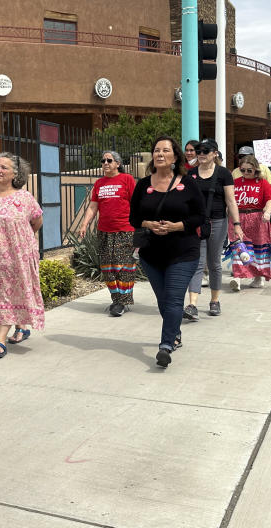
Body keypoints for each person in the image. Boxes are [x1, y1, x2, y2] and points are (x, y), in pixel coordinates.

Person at [129, 135, 206, 368]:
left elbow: (200, 216)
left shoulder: (188, 183)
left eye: (165, 150)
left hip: (183, 251)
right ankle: (175, 333)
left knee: (173, 299)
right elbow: (133, 217)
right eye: (156, 150)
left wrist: (177, 226)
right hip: (151, 254)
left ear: (175, 157)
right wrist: (148, 224)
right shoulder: (143, 184)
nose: (160, 154)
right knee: (164, 300)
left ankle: (165, 346)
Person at [0, 152, 44, 359]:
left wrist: (21, 243)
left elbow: (36, 222)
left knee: (6, 293)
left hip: (15, 257)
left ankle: (1, 340)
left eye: (4, 167)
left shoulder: (24, 197)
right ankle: (21, 327)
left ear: (16, 173)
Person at [184, 138, 241, 318]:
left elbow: (231, 200)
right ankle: (192, 304)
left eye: (205, 151)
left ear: (214, 153)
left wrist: (237, 224)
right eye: (198, 151)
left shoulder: (224, 174)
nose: (200, 154)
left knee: (214, 262)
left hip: (217, 222)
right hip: (196, 224)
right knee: (197, 262)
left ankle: (214, 300)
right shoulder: (191, 174)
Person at [77, 150, 138, 316]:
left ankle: (123, 301)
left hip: (125, 230)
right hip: (104, 231)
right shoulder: (99, 183)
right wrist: (84, 224)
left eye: (109, 160)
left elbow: (136, 203)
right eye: (103, 160)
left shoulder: (127, 179)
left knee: (123, 266)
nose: (105, 163)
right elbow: (93, 206)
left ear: (118, 163)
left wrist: (140, 226)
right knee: (107, 267)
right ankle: (116, 299)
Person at [228, 155, 271, 291]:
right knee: (238, 246)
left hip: (258, 219)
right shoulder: (235, 183)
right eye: (243, 170)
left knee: (258, 248)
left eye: (249, 170)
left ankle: (258, 277)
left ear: (256, 169)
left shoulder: (263, 183)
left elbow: (270, 199)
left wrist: (267, 212)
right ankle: (237, 277)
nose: (246, 173)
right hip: (238, 218)